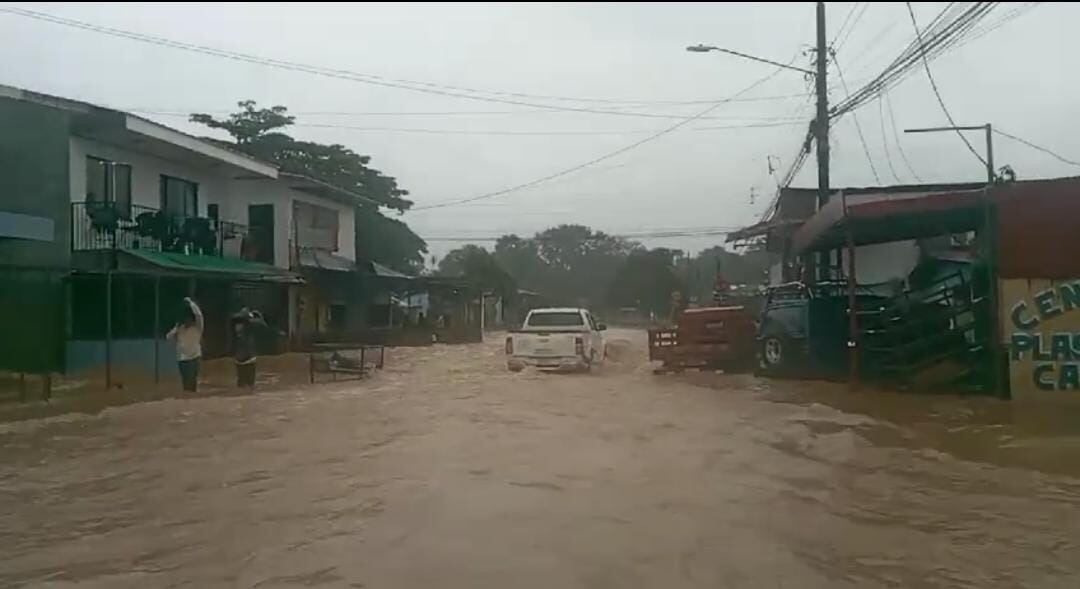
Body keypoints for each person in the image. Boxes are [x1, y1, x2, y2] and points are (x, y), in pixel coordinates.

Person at [166, 297, 203, 392]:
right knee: (186, 386)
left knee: (193, 384)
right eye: (186, 318)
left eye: (189, 318)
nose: (187, 321)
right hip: (183, 360)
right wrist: (176, 328)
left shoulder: (197, 327)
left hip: (195, 358)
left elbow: (199, 316)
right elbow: (168, 338)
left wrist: (191, 303)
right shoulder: (179, 329)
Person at [231, 307, 267, 389]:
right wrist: (258, 316)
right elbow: (263, 324)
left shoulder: (236, 324)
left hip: (240, 359)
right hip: (247, 359)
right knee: (249, 385)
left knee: (242, 384)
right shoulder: (250, 324)